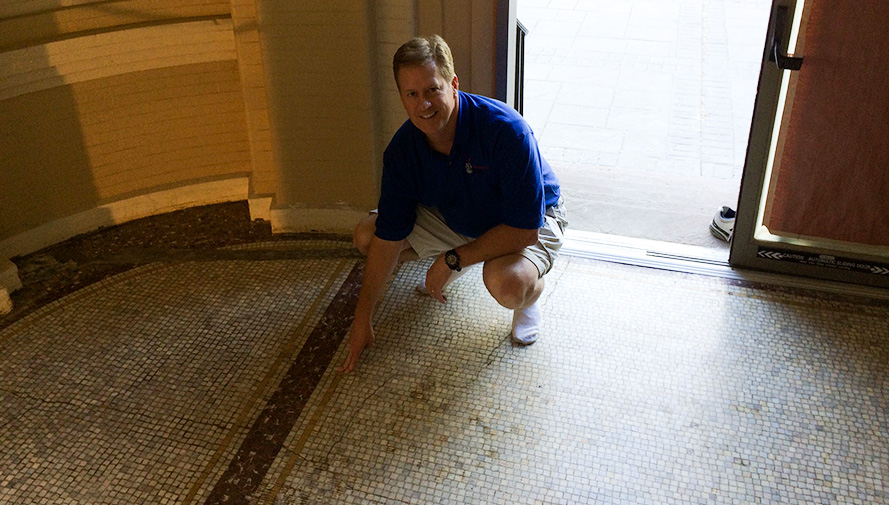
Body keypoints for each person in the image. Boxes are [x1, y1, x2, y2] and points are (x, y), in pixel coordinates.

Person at [338, 35, 566, 374]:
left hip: (528, 220)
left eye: (432, 90)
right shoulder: (402, 151)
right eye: (411, 94)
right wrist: (362, 319)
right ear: (401, 96)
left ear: (453, 84)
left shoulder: (507, 131)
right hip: (460, 215)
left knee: (509, 285)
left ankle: (529, 298)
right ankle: (470, 253)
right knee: (368, 237)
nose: (423, 105)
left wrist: (453, 260)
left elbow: (524, 230)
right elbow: (388, 238)